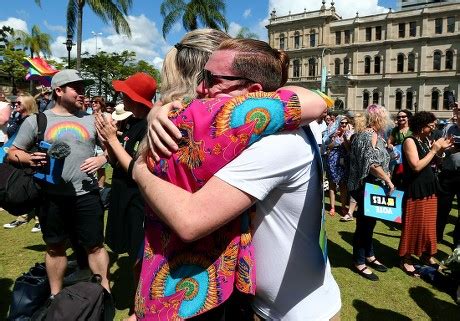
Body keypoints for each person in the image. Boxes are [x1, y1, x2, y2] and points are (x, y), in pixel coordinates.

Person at [134, 38, 341, 320]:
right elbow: (310, 98)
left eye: (210, 79)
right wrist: (160, 110)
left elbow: (190, 220)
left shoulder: (276, 144)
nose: (199, 89)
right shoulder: (278, 125)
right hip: (271, 303)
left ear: (254, 92)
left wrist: (139, 169)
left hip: (296, 312)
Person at [7, 69, 111, 294]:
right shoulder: (38, 120)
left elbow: (111, 150)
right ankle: (56, 295)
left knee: (95, 246)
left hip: (87, 195)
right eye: (77, 88)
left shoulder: (93, 120)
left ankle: (105, 293)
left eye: (84, 88)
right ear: (59, 90)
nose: (82, 93)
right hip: (50, 197)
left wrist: (102, 158)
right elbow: (12, 153)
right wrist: (28, 158)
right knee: (55, 248)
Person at [95, 72, 156, 317]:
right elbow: (115, 162)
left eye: (125, 93)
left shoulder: (149, 127)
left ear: (135, 98)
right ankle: (137, 302)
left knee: (138, 257)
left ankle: (137, 306)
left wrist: (113, 139)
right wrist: (106, 142)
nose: (121, 96)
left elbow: (136, 169)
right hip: (121, 195)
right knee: (129, 254)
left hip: (138, 201)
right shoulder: (130, 123)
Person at [398, 112, 453, 275]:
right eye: (431, 126)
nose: (433, 129)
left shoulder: (424, 140)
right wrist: (434, 149)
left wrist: (440, 151)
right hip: (416, 189)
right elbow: (415, 166)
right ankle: (406, 257)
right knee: (413, 224)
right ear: (422, 126)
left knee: (428, 225)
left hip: (429, 187)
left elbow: (432, 162)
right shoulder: (409, 141)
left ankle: (426, 254)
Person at [348, 104, 394, 281]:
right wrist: (389, 180)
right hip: (365, 185)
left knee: (370, 224)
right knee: (364, 225)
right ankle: (359, 262)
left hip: (369, 185)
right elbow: (373, 165)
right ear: (379, 119)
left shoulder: (372, 135)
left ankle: (369, 255)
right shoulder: (369, 135)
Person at [3, 94, 41, 232]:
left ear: (28, 103)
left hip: (29, 157)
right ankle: (22, 217)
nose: (15, 104)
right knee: (21, 186)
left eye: (18, 102)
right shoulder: (16, 118)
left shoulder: (34, 119)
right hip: (16, 158)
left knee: (34, 188)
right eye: (14, 102)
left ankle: (39, 219)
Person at [437, 103, 460, 248]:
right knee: (442, 208)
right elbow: (441, 148)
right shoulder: (449, 128)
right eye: (458, 110)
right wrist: (443, 151)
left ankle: (457, 242)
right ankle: (436, 236)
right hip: (448, 174)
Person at [323, 115, 352, 218]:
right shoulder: (333, 133)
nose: (343, 125)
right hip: (333, 160)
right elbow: (328, 147)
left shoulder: (350, 134)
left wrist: (344, 140)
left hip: (344, 161)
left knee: (343, 185)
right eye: (341, 123)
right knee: (332, 184)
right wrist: (335, 140)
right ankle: (332, 207)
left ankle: (343, 207)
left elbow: (349, 150)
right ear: (338, 123)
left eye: (345, 123)